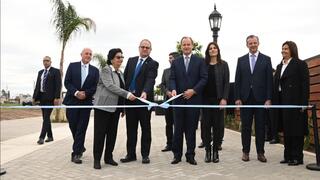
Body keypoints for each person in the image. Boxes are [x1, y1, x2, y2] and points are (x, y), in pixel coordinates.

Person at [93, 48, 136, 169]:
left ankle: (108, 157)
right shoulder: (106, 70)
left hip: (116, 109)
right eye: (118, 57)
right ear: (111, 59)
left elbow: (121, 89)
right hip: (103, 108)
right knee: (100, 134)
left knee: (112, 134)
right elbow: (110, 86)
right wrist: (127, 94)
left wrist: (123, 108)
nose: (121, 59)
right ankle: (97, 159)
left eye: (122, 57)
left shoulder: (120, 73)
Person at [170, 36, 208, 165]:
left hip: (194, 100)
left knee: (191, 129)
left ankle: (190, 155)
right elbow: (172, 78)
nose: (186, 47)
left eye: (188, 44)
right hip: (179, 101)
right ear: (181, 47)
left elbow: (204, 78)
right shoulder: (176, 62)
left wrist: (193, 91)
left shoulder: (200, 61)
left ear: (192, 46)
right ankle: (177, 155)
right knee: (178, 129)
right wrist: (173, 89)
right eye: (184, 45)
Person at [234, 35, 273, 163]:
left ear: (258, 43)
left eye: (254, 43)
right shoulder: (241, 60)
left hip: (261, 99)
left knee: (260, 127)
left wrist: (268, 98)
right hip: (245, 99)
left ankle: (260, 153)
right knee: (245, 127)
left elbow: (269, 81)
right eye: (250, 43)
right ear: (247, 45)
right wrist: (237, 98)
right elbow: (237, 81)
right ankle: (245, 152)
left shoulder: (266, 59)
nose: (253, 45)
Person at [120, 39, 159, 164]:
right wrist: (124, 98)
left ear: (150, 50)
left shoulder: (153, 63)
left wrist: (146, 91)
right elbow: (125, 79)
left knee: (145, 129)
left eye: (147, 47)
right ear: (139, 48)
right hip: (130, 100)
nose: (145, 49)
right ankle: (131, 154)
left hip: (143, 101)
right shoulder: (131, 60)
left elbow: (150, 79)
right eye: (143, 47)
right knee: (131, 129)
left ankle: (145, 155)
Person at [274, 41, 309, 166]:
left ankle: (297, 157)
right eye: (282, 48)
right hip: (283, 102)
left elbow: (305, 84)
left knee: (296, 131)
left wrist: (304, 103)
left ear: (292, 50)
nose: (283, 50)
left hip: (296, 102)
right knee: (286, 130)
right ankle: (287, 156)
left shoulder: (300, 64)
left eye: (286, 48)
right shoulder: (279, 66)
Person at [63, 48, 99, 164]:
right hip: (72, 101)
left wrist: (86, 94)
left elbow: (95, 86)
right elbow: (67, 82)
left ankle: (76, 153)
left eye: (90, 54)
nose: (88, 55)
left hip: (86, 102)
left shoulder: (95, 70)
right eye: (86, 53)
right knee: (73, 126)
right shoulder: (72, 66)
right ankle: (80, 145)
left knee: (81, 128)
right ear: (81, 55)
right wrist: (76, 93)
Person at [202, 42, 229, 163]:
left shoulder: (224, 65)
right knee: (206, 126)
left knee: (218, 126)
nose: (212, 50)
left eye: (214, 48)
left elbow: (226, 83)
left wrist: (224, 98)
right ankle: (207, 150)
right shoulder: (203, 64)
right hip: (205, 100)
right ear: (208, 51)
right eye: (210, 48)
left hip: (218, 100)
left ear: (218, 50)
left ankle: (216, 151)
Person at [33, 56, 62, 145]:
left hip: (51, 98)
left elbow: (58, 85)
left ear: (50, 62)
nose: (45, 62)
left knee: (46, 117)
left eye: (47, 61)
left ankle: (41, 137)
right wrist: (34, 97)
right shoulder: (40, 72)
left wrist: (57, 97)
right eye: (44, 61)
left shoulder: (56, 71)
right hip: (41, 98)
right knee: (45, 118)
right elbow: (38, 85)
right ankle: (50, 136)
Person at [159, 52, 180, 152]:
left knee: (178, 124)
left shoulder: (181, 71)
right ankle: (169, 144)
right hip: (167, 102)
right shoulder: (166, 71)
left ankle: (177, 144)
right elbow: (162, 84)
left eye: (171, 58)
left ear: (176, 59)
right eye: (169, 58)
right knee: (168, 124)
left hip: (178, 102)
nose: (169, 60)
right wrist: (167, 92)